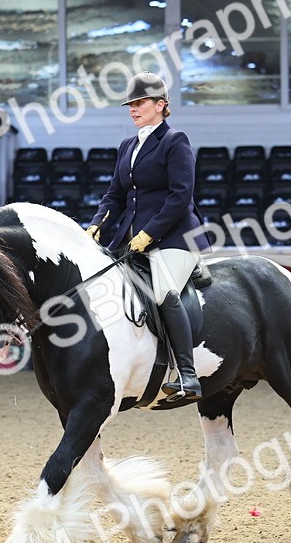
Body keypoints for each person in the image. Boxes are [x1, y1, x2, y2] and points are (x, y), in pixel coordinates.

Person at [87, 71, 205, 400]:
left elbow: (180, 196)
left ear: (161, 105)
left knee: (164, 292)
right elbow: (115, 195)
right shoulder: (128, 145)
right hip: (130, 237)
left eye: (140, 103)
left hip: (177, 238)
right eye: (131, 104)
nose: (133, 109)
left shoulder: (175, 141)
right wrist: (98, 223)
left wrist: (149, 234)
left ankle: (187, 374)